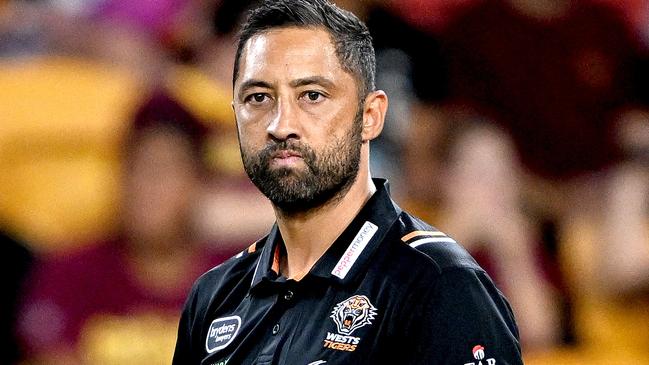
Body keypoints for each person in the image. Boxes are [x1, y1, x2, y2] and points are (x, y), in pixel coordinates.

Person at [172, 1, 523, 364]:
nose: (280, 124)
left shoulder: (439, 283)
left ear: (370, 116)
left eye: (312, 96)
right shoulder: (214, 296)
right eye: (258, 97)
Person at [16, 90, 236, 365]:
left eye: (165, 169)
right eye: (136, 167)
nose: (147, 186)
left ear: (199, 183)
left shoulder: (235, 281)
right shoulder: (69, 272)